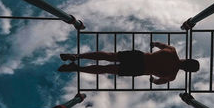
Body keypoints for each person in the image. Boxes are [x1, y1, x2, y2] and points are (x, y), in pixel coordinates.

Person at [58, 41, 199, 85]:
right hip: (139, 69)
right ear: (186, 70)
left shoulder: (172, 51)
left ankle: (77, 56)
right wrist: (152, 79)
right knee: (107, 69)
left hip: (140, 57)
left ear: (187, 59)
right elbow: (156, 82)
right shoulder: (171, 76)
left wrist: (153, 43)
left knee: (109, 56)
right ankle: (77, 68)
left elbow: (157, 43)